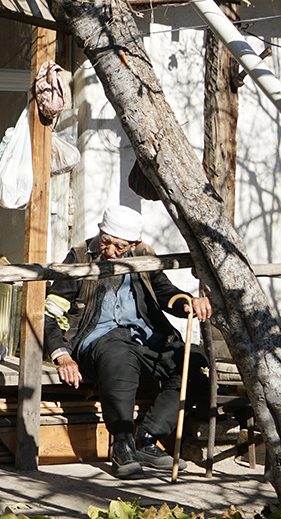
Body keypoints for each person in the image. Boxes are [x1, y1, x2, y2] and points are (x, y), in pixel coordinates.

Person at [43, 204, 212, 478]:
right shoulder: (78, 258)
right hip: (97, 339)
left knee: (195, 363)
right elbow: (49, 314)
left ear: (135, 243)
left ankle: (147, 439)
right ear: (100, 232)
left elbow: (164, 291)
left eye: (119, 247)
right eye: (105, 242)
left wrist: (187, 302)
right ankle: (122, 445)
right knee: (119, 357)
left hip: (144, 337)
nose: (109, 251)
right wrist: (62, 355)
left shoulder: (144, 257)